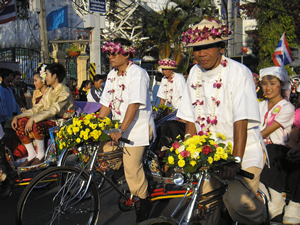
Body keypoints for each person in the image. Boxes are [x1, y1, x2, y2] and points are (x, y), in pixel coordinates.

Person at [177, 19, 267, 225]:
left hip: (244, 149)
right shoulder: (193, 72)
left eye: (207, 47)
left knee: (238, 202)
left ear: (221, 47)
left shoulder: (238, 72)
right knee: (200, 204)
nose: (201, 53)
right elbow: (190, 118)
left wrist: (235, 161)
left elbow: (241, 120)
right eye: (197, 48)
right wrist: (189, 152)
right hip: (209, 151)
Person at [99, 38, 156, 222]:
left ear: (127, 53)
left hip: (137, 129)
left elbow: (134, 104)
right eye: (109, 53)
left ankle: (144, 200)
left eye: (114, 52)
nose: (111, 56)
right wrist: (96, 127)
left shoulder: (137, 73)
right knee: (104, 154)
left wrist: (120, 130)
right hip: (117, 128)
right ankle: (129, 180)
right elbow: (106, 105)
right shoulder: (111, 75)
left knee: (132, 168)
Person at [11, 63, 75, 167]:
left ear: (54, 76)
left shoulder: (64, 91)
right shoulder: (50, 91)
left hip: (60, 123)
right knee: (20, 122)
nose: (45, 78)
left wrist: (33, 119)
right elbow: (38, 107)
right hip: (49, 121)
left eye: (47, 75)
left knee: (36, 123)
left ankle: (40, 154)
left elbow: (54, 110)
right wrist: (18, 116)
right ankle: (31, 154)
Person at [257, 66, 299, 224]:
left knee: (271, 149)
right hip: (259, 150)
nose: (267, 88)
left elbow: (264, 133)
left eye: (272, 83)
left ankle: (276, 204)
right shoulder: (259, 105)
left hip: (279, 154)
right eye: (264, 84)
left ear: (281, 85)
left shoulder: (287, 108)